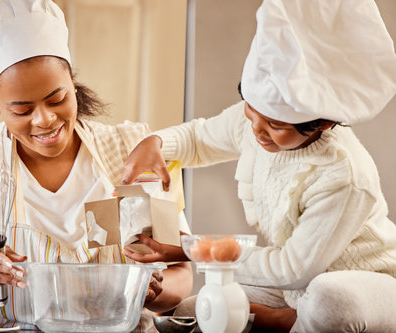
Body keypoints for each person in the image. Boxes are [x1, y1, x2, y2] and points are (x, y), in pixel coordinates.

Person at [121, 0, 396, 332]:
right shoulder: (254, 122)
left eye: (275, 125)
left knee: (329, 300)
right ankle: (291, 318)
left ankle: (284, 321)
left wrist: (194, 248)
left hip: (368, 284)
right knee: (193, 311)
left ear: (322, 124)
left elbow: (293, 269)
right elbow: (200, 139)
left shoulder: (344, 176)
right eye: (251, 112)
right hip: (296, 285)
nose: (256, 131)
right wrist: (157, 143)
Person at [0, 0, 192, 331]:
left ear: (73, 84)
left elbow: (180, 272)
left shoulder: (131, 151)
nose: (44, 120)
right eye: (22, 110)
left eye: (57, 100)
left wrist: (153, 291)